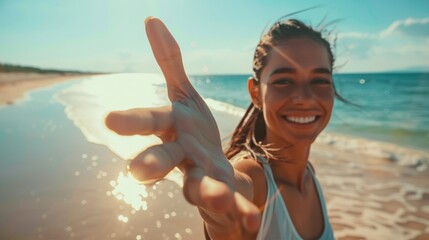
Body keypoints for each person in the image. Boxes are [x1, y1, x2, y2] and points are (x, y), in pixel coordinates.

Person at [105, 16, 337, 239]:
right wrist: (218, 191)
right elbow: (230, 202)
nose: (305, 98)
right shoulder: (253, 179)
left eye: (320, 80)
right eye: (284, 81)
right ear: (255, 93)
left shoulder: (309, 173)